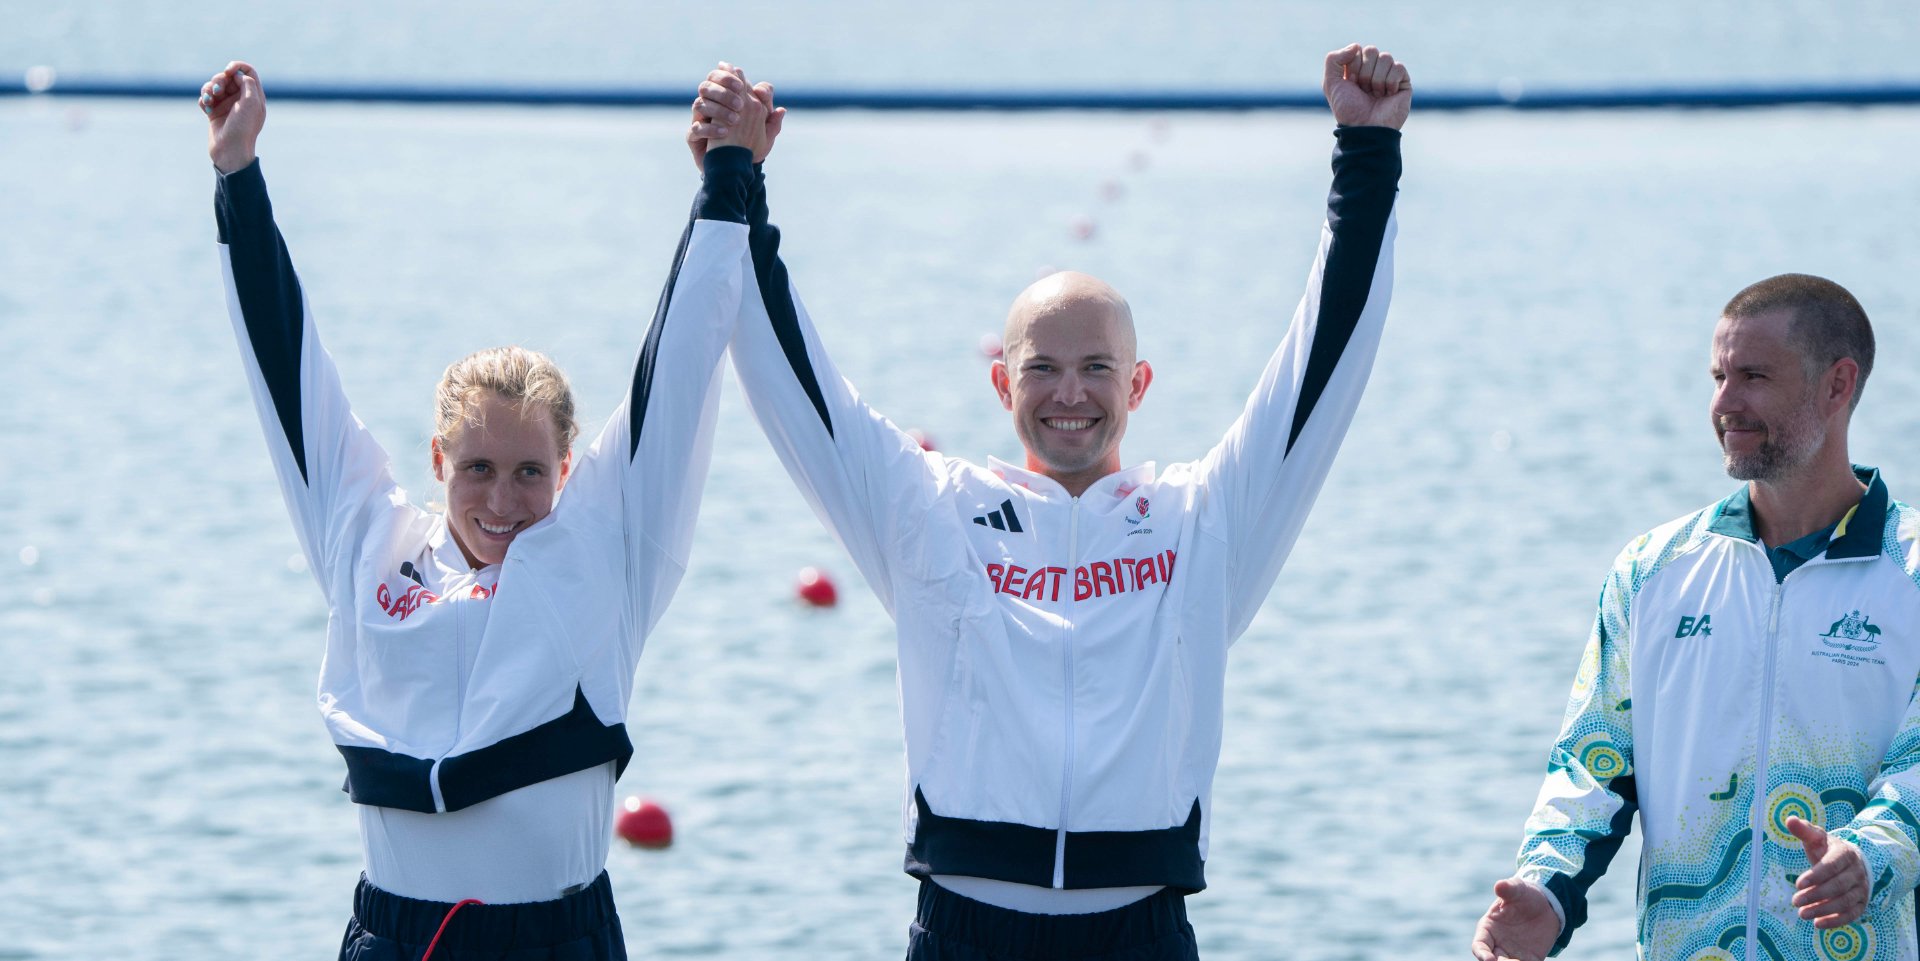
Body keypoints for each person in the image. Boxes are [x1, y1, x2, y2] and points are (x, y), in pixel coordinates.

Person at [690, 46, 1409, 959]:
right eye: (1044, 368)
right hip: (963, 928)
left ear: (1138, 382)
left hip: (1141, 930)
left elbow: (1322, 371)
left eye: (1097, 368)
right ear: (1003, 382)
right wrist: (737, 179)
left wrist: (1366, 152)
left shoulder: (1203, 521)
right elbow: (796, 383)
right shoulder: (931, 509)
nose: (1071, 394)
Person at [201, 60, 770, 959]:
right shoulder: (370, 544)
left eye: (529, 473)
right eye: (476, 469)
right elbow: (289, 379)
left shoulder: (604, 554)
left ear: (568, 468)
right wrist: (239, 176)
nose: (503, 502)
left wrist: (728, 181)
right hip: (392, 936)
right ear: (437, 462)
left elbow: (682, 363)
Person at [1471, 275, 1920, 961]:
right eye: (1717, 375)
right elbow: (1592, 766)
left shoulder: (1910, 571)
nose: (1723, 404)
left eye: (1753, 376)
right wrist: (1548, 889)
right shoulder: (1653, 570)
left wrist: (1869, 857)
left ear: (1837, 385)